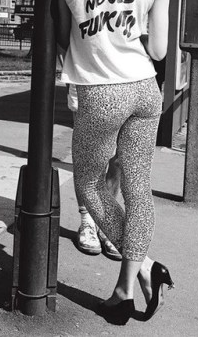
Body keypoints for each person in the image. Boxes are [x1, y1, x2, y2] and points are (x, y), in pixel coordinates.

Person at [56, 0, 174, 325]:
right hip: (146, 88)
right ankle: (128, 286)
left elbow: (57, 24)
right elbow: (160, 50)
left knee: (89, 184)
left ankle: (143, 266)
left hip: (101, 90)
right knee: (137, 188)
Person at [67, 83, 122, 261]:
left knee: (119, 156)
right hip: (87, 78)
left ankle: (107, 221)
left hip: (127, 80)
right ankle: (87, 220)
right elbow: (63, 54)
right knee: (87, 156)